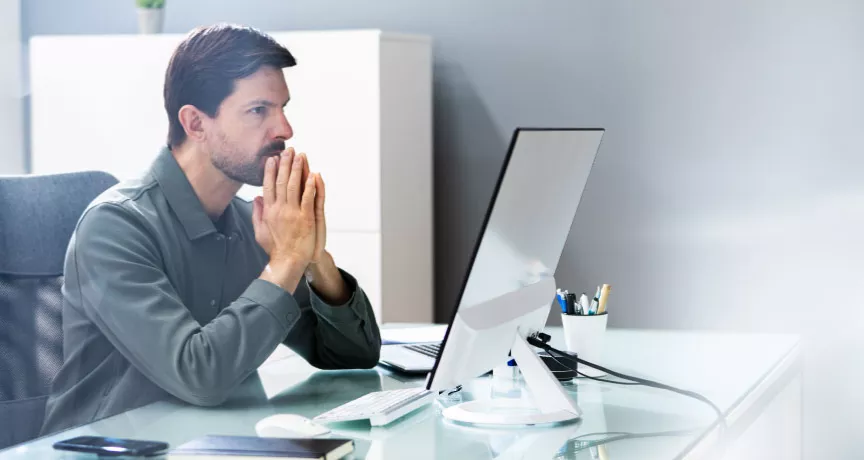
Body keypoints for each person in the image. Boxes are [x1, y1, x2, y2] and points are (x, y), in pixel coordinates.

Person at [41, 23, 381, 435]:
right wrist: (286, 260)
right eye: (259, 111)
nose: (284, 130)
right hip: (118, 447)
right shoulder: (114, 228)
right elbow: (199, 376)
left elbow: (353, 354)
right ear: (195, 124)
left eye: (283, 108)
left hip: (219, 443)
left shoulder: (251, 226)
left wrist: (313, 260)